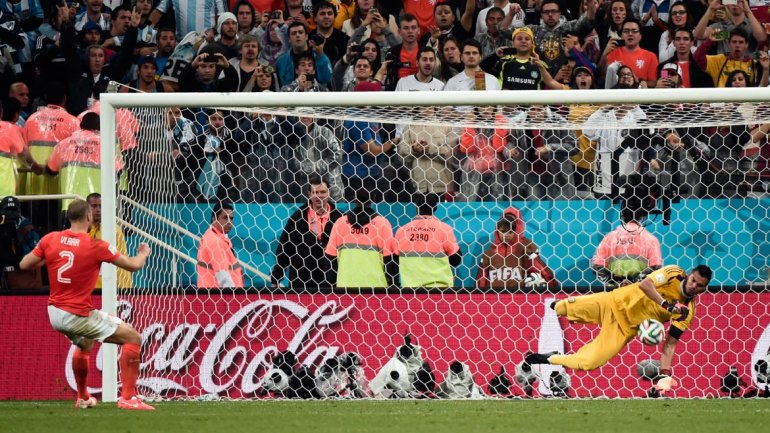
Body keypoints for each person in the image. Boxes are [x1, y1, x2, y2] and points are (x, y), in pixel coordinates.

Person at [18, 199, 154, 410]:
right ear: (89, 217)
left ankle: (83, 397)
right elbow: (133, 266)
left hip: (54, 312)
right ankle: (129, 397)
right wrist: (143, 253)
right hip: (76, 314)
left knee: (85, 343)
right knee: (133, 338)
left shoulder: (50, 239)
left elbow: (24, 264)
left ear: (68, 217)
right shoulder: (96, 245)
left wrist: (48, 257)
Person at [523, 264, 713, 396]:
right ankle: (562, 315)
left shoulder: (687, 312)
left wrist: (664, 374)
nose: (693, 286)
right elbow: (645, 284)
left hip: (624, 330)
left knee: (589, 362)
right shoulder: (673, 273)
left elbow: (670, 344)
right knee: (561, 307)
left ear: (704, 289)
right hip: (613, 302)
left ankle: (548, 358)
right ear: (689, 275)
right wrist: (666, 305)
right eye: (693, 280)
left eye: (699, 286)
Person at [271, 176, 344, 288]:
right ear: (309, 194)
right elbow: (284, 249)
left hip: (331, 283)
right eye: (315, 192)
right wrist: (275, 279)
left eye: (323, 192)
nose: (319, 196)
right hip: (301, 284)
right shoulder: (297, 218)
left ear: (329, 193)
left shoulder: (341, 218)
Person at [325, 188, 396, 288]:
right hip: (376, 288)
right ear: (373, 198)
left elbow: (330, 259)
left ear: (355, 199)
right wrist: (394, 285)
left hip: (345, 288)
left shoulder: (340, 223)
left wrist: (332, 288)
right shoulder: (383, 224)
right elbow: (389, 260)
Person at [476, 208, 557, 289]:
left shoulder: (526, 248)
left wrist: (553, 290)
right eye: (503, 231)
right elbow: (481, 281)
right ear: (497, 231)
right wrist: (478, 298)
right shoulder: (489, 253)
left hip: (519, 298)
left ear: (518, 228)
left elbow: (543, 272)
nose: (506, 235)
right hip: (496, 299)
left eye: (510, 231)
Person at [393, 193, 461, 288]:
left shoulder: (402, 230)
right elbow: (456, 260)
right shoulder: (444, 229)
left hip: (410, 290)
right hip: (439, 289)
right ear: (435, 208)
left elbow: (394, 262)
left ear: (417, 208)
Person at [592, 199, 663, 287]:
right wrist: (633, 281)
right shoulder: (651, 239)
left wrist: (617, 281)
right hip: (640, 292)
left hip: (615, 293)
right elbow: (655, 268)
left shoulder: (609, 238)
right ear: (642, 216)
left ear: (622, 215)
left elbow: (597, 267)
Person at [86, 193, 132, 289]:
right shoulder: (81, 230)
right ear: (86, 208)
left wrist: (124, 286)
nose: (98, 209)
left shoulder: (114, 229)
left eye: (101, 206)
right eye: (94, 206)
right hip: (86, 284)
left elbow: (122, 255)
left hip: (110, 284)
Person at [196, 200, 244, 288]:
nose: (229, 222)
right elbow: (223, 275)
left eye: (231, 218)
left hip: (214, 295)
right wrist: (234, 297)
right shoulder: (215, 241)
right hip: (218, 296)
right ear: (214, 219)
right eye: (225, 217)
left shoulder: (217, 237)